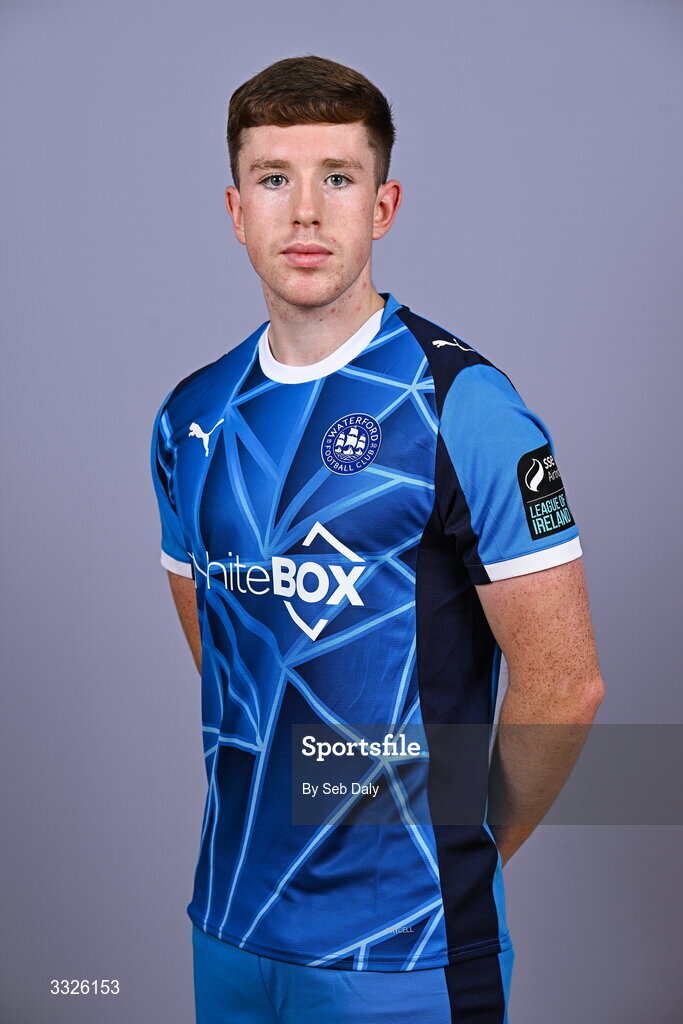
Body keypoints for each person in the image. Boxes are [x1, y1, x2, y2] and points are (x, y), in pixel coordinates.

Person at [150, 54, 605, 1024]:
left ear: (383, 205)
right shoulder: (189, 418)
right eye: (274, 179)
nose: (305, 212)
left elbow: (564, 684)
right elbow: (230, 652)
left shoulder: (463, 408)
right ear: (235, 210)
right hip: (226, 933)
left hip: (396, 957)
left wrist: (455, 846)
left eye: (337, 178)